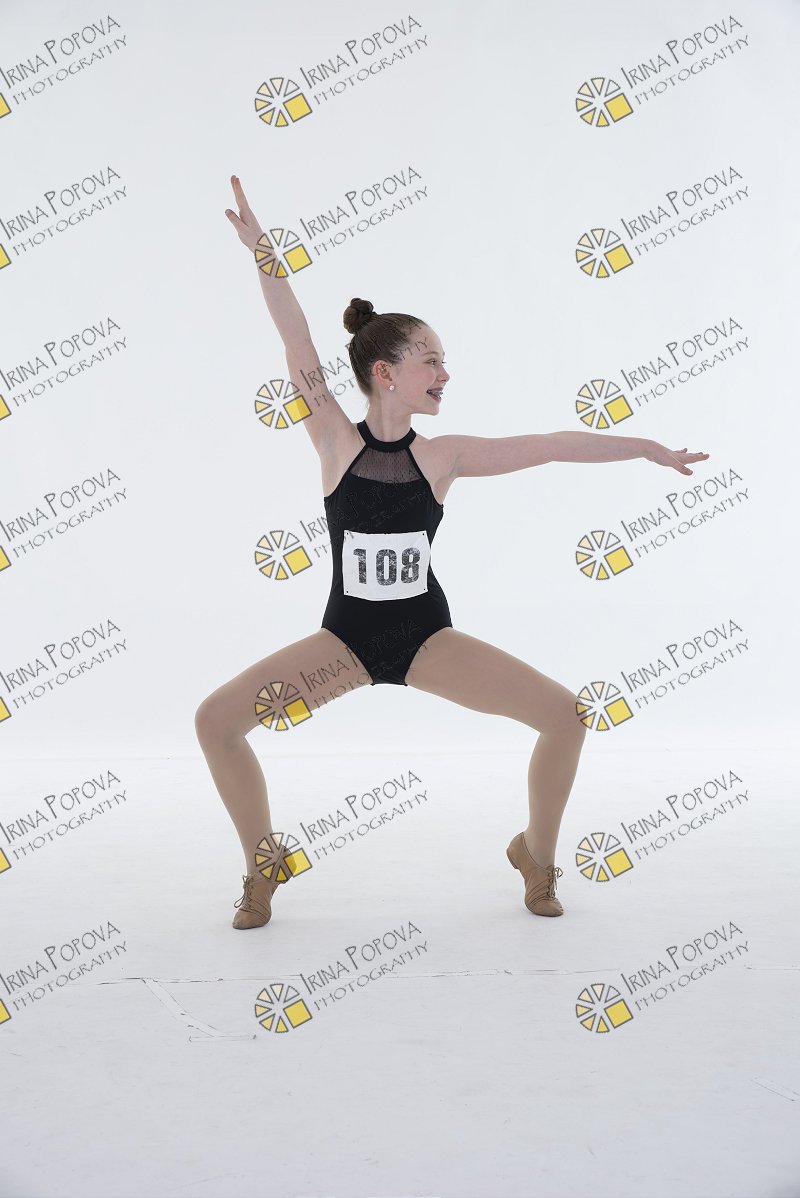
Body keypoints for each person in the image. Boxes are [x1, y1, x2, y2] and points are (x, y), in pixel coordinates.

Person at [193, 174, 710, 930]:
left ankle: (536, 855)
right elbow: (296, 339)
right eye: (430, 360)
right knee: (216, 720)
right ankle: (263, 861)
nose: (444, 373)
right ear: (385, 372)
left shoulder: (444, 457)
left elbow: (550, 444)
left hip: (427, 641)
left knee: (566, 718)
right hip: (343, 645)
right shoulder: (334, 439)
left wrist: (643, 448)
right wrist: (263, 253)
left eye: (443, 360)